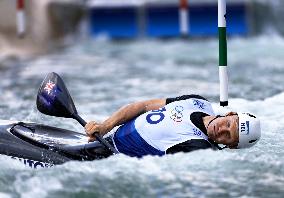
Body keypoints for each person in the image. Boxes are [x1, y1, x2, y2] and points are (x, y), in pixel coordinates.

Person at [85, 95, 261, 157]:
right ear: (230, 114)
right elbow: (144, 106)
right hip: (103, 139)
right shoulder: (198, 102)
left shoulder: (199, 149)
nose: (221, 130)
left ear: (230, 146)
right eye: (228, 124)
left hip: (108, 155)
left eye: (228, 136)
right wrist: (105, 125)